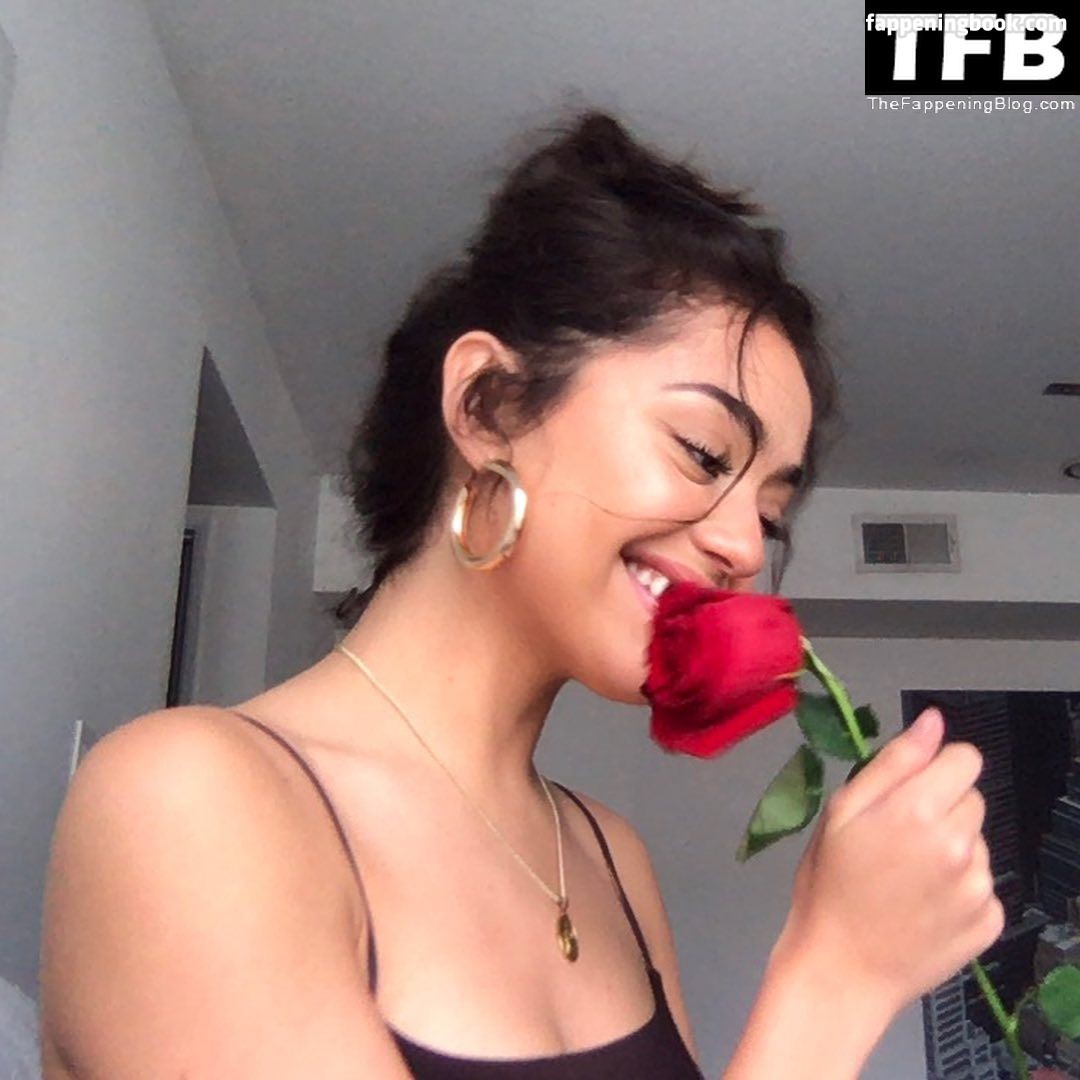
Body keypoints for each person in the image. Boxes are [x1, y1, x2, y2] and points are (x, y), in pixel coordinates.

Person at [38, 108, 1002, 1078]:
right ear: (488, 405)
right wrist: (837, 979)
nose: (744, 548)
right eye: (704, 452)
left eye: (772, 514)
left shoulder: (609, 858)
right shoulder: (186, 801)